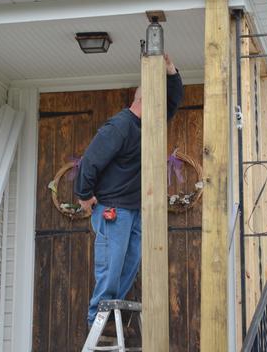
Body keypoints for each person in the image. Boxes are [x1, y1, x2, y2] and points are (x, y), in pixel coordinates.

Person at [74, 54, 183, 327]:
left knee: (129, 266)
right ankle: (94, 321)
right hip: (114, 210)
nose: (161, 108)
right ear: (143, 100)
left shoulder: (149, 125)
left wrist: (172, 73)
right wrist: (85, 195)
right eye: (156, 101)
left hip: (135, 211)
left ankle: (108, 319)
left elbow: (172, 103)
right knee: (110, 269)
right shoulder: (120, 126)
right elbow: (90, 160)